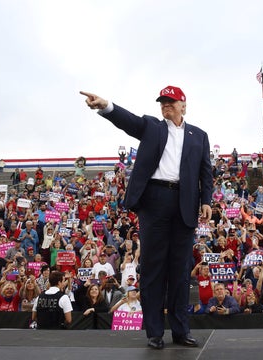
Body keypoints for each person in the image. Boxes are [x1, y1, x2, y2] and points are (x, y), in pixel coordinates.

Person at [81, 85, 213, 350]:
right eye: (162, 103)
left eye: (171, 102)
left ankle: (180, 330)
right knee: (153, 269)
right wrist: (106, 106)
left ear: (183, 105)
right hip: (154, 200)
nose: (166, 106)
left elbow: (205, 172)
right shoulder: (153, 127)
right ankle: (154, 332)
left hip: (185, 203)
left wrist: (207, 200)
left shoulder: (199, 135)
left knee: (179, 270)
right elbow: (129, 122)